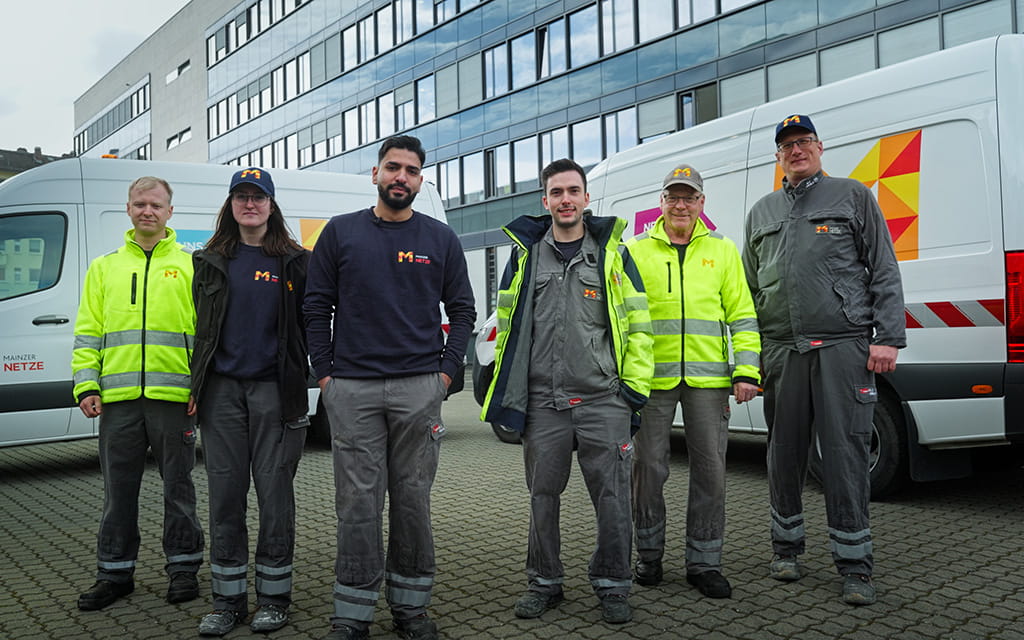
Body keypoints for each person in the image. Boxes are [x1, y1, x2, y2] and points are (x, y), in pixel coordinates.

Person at [304, 135, 476, 640]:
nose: (401, 176)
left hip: (418, 389)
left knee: (412, 500)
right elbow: (316, 307)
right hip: (352, 389)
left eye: (411, 170)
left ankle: (411, 611)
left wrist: (444, 374)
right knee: (357, 504)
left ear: (421, 180)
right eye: (393, 167)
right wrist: (326, 375)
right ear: (375, 174)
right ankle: (352, 614)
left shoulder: (439, 239)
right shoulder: (340, 233)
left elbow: (462, 310)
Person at [481, 158, 654, 625]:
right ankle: (544, 582)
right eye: (556, 192)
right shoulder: (525, 255)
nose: (565, 200)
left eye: (573, 191)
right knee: (542, 497)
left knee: (614, 498)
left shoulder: (613, 254)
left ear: (586, 198)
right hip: (544, 404)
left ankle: (614, 584)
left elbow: (639, 326)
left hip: (603, 400)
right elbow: (509, 327)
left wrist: (631, 392)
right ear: (545, 200)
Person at [742, 114, 905, 606]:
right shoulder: (761, 212)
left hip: (842, 347)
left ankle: (855, 564)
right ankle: (786, 547)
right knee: (783, 454)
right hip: (782, 350)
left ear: (819, 147)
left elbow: (883, 266)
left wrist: (887, 337)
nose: (797, 150)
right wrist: (752, 358)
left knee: (845, 455)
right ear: (778, 156)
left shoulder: (852, 196)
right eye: (787, 145)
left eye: (804, 141)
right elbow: (749, 291)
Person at [626, 164, 760, 599]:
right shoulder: (636, 251)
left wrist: (747, 371)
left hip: (709, 382)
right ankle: (649, 557)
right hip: (652, 381)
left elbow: (742, 314)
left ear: (702, 203)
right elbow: (622, 318)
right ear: (660, 203)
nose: (680, 204)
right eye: (672, 197)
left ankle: (704, 562)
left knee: (710, 472)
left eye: (689, 197)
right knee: (648, 469)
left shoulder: (722, 251)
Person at [72, 176, 204, 611]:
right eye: (139, 203)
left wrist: (199, 388)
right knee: (118, 491)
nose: (147, 211)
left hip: (174, 400)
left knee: (179, 488)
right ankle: (114, 574)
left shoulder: (192, 265)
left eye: (156, 205)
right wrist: (86, 384)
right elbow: (88, 333)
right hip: (118, 401)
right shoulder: (104, 267)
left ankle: (183, 570)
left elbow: (207, 336)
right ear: (128, 209)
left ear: (170, 213)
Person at [190, 168, 310, 636]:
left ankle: (275, 598)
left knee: (275, 497)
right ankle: (228, 599)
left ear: (272, 206)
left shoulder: (297, 261)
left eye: (258, 197)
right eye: (241, 196)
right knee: (225, 497)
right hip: (221, 394)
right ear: (231, 205)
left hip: (275, 395)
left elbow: (315, 321)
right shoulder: (210, 260)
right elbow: (197, 330)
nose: (250, 204)